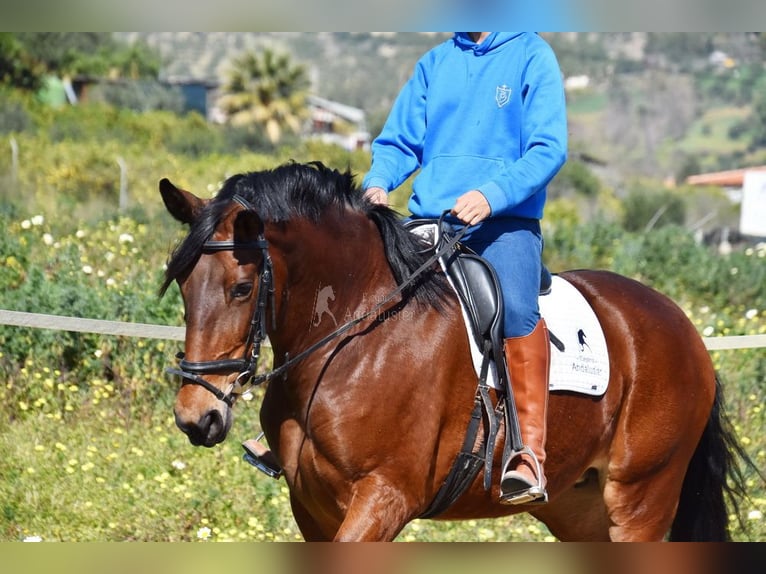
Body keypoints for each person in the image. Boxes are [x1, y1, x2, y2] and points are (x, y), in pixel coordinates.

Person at [363, 32, 568, 504]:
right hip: (428, 218)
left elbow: (548, 148)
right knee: (361, 289)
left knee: (515, 308)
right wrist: (378, 182)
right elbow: (399, 142)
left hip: (503, 223)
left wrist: (492, 195)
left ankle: (528, 454)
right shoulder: (435, 62)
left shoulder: (532, 54)